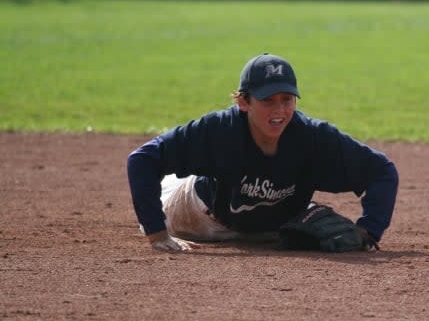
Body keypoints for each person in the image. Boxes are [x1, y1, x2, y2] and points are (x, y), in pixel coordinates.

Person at [127, 53, 398, 252]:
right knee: (168, 184)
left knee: (308, 223)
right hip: (197, 214)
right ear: (244, 101)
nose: (279, 110)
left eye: (287, 99)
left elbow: (381, 171)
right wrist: (157, 233)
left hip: (268, 226)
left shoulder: (314, 138)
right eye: (267, 100)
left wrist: (368, 231)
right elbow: (143, 159)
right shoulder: (220, 129)